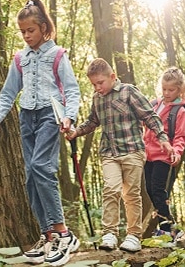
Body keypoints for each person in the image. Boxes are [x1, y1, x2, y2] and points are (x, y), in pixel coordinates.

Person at [0, 0, 81, 266]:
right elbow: (8, 93)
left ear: (43, 28)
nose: (27, 36)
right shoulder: (20, 59)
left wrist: (69, 117)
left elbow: (71, 90)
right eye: (23, 32)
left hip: (51, 115)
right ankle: (48, 234)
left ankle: (64, 234)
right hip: (26, 117)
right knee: (30, 176)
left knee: (42, 167)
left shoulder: (58, 55)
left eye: (31, 30)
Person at [65, 58, 175, 253]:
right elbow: (93, 121)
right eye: (94, 84)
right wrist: (76, 132)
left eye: (101, 82)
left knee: (132, 194)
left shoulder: (128, 92)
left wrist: (163, 140)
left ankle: (133, 235)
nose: (98, 87)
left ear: (112, 77)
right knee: (110, 189)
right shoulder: (97, 98)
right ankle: (110, 233)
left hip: (132, 150)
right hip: (109, 152)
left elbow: (150, 115)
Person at [143, 67, 185, 239]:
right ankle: (169, 227)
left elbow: (180, 136)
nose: (167, 93)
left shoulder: (180, 111)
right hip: (147, 155)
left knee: (158, 190)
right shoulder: (154, 104)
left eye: (171, 90)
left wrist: (177, 152)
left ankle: (168, 229)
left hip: (164, 155)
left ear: (179, 89)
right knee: (149, 189)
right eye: (164, 89)